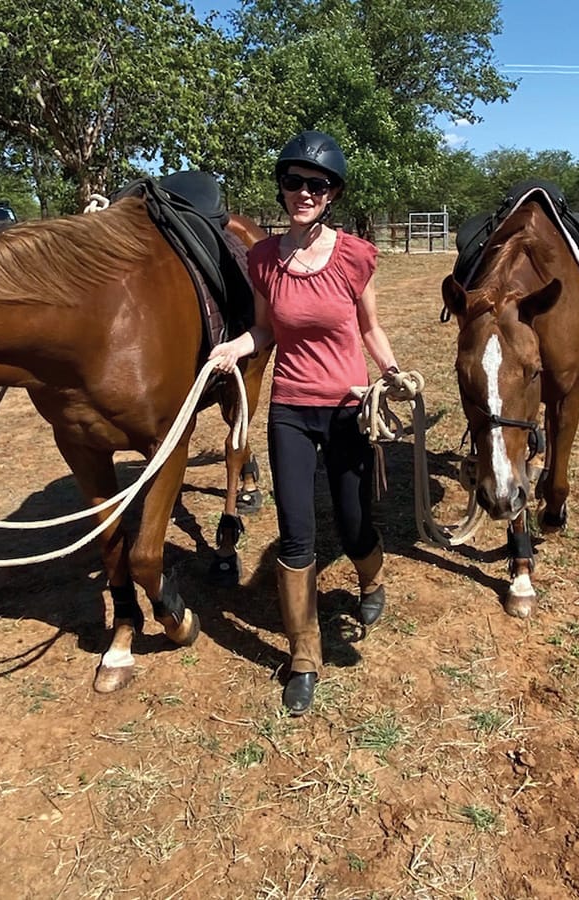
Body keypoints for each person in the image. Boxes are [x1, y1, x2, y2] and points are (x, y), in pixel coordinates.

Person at [209, 130, 402, 716]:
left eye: (316, 185)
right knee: (296, 532)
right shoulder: (265, 258)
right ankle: (303, 655)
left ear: (332, 194)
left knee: (351, 522)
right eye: (293, 182)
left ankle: (371, 580)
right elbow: (266, 328)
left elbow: (369, 329)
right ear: (283, 188)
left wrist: (391, 372)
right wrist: (234, 347)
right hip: (290, 410)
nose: (303, 192)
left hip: (346, 408)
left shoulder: (354, 255)